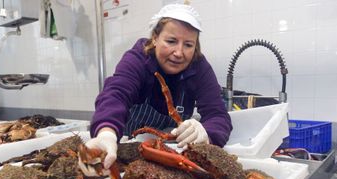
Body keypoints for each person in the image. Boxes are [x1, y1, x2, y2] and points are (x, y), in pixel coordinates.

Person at [86, 3, 232, 169]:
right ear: (155, 38)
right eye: (171, 41)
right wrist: (106, 133)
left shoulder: (199, 68)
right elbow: (116, 93)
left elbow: (218, 115)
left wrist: (207, 135)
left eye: (188, 45)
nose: (179, 52)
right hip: (128, 153)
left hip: (174, 158)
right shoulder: (138, 59)